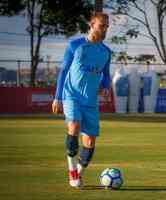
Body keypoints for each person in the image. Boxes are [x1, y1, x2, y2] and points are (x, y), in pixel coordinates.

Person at [52, 12, 111, 188]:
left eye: (107, 26)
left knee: (90, 141)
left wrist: (105, 86)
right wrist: (58, 97)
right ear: (92, 25)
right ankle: (71, 171)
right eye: (102, 25)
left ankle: (78, 173)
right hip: (71, 96)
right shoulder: (75, 45)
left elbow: (106, 75)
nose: (105, 29)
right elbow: (63, 71)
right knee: (74, 125)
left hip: (91, 101)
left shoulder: (106, 52)